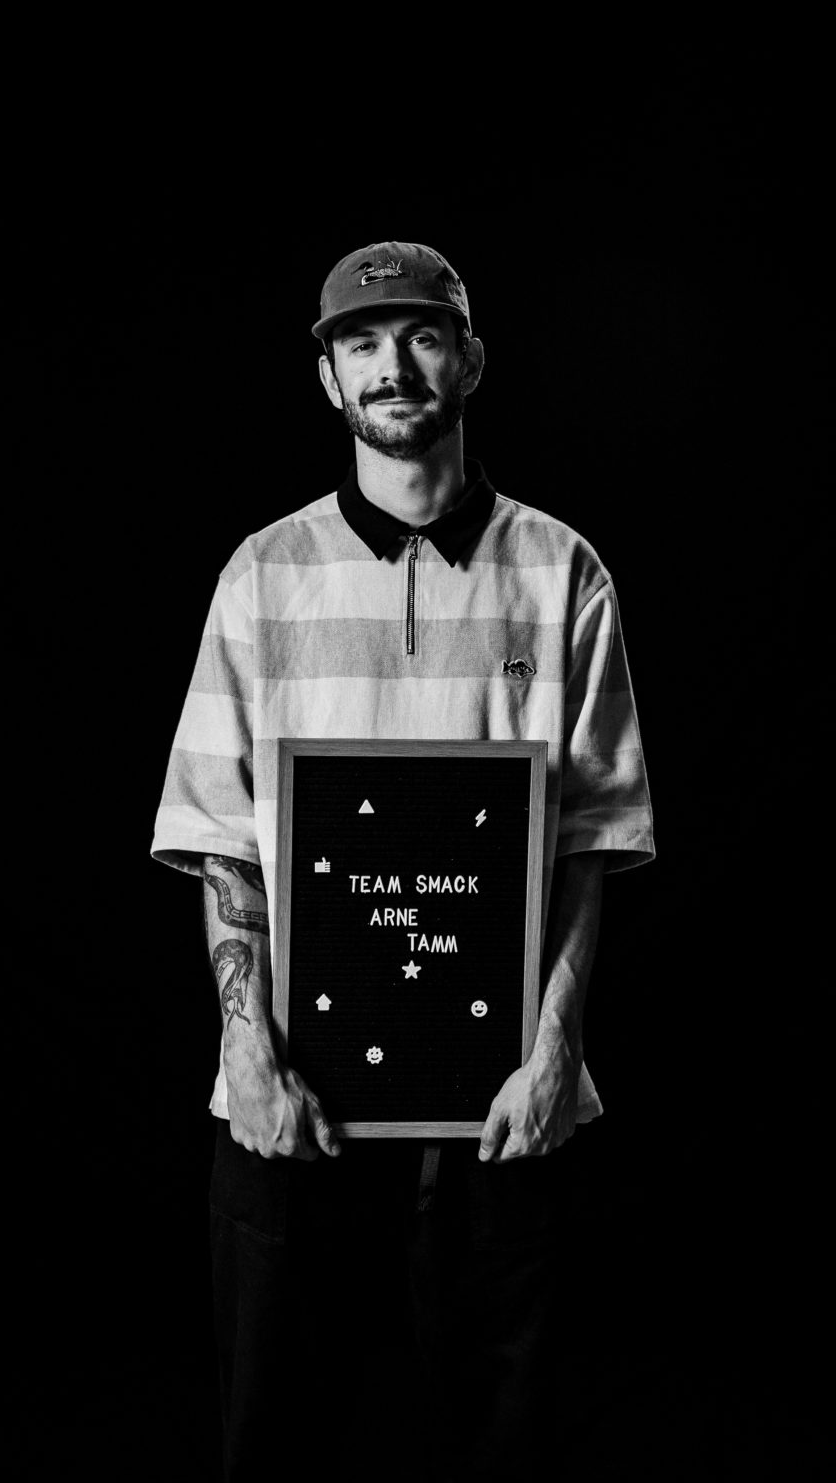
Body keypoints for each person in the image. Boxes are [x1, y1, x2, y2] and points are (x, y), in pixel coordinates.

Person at [151, 241, 655, 1480]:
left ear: (470, 358)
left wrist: (555, 1053)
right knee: (280, 1444)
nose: (395, 366)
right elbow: (222, 835)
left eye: (424, 334)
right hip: (294, 1105)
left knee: (510, 1445)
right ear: (329, 379)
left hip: (500, 1109)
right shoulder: (262, 575)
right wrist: (245, 1053)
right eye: (362, 343)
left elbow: (589, 841)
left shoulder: (563, 569)